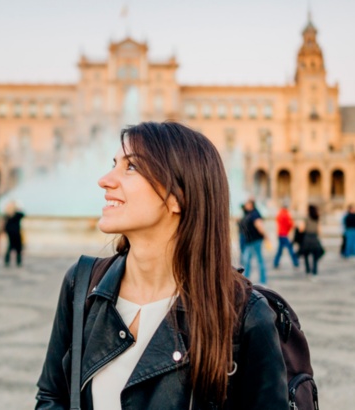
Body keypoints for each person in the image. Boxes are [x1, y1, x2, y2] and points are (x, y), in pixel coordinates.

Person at [35, 122, 288, 410]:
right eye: (114, 164)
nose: (104, 180)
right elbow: (52, 397)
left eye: (131, 168)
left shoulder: (244, 315)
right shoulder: (82, 285)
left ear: (177, 197)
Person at [242, 199, 268, 285]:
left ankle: (263, 280)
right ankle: (245, 279)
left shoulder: (254, 214)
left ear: (251, 204)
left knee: (257, 260)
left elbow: (259, 226)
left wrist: (266, 236)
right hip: (250, 241)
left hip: (255, 240)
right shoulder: (249, 213)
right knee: (247, 260)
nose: (245, 205)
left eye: (246, 203)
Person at [298, 204, 324, 279]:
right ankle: (314, 272)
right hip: (314, 238)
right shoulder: (317, 218)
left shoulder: (306, 218)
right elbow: (319, 230)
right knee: (315, 257)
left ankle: (308, 271)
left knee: (306, 256)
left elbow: (301, 229)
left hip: (307, 238)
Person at [273, 203, 298, 269]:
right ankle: (296, 262)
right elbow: (290, 224)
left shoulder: (279, 214)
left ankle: (276, 262)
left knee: (280, 250)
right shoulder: (286, 214)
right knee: (290, 249)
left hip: (280, 234)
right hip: (284, 234)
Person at [3, 201, 25, 267]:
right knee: (18, 248)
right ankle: (18, 262)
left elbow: (6, 226)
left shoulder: (7, 215)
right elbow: (23, 214)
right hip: (16, 233)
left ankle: (7, 261)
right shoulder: (18, 215)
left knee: (10, 247)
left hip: (10, 233)